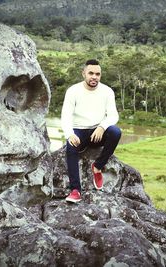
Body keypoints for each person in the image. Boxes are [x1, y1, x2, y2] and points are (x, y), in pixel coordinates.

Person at [61, 59, 121, 203]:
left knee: (115, 132)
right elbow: (65, 115)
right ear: (84, 74)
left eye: (98, 74)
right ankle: (75, 190)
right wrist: (69, 134)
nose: (94, 77)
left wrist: (102, 126)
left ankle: (98, 167)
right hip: (79, 131)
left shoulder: (107, 91)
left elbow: (113, 115)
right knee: (71, 148)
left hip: (97, 132)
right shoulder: (73, 91)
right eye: (91, 73)